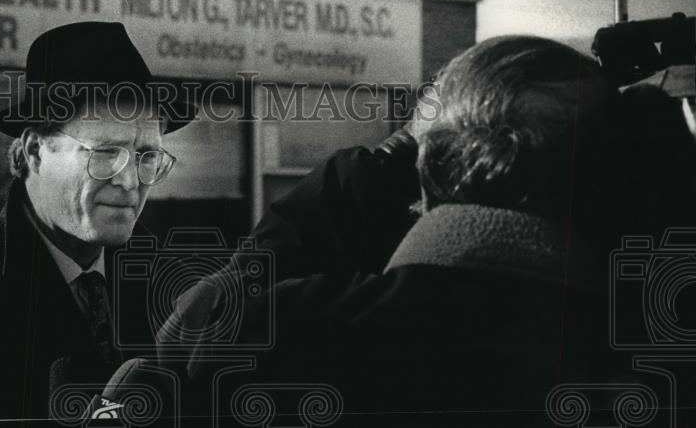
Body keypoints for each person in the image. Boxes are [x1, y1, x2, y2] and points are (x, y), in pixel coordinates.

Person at [166, 36, 636, 426]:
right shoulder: (646, 356)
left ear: (427, 170)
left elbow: (192, 327)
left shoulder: (289, 335)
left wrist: (369, 170)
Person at [0, 22, 194, 419]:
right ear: (34, 151)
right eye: (105, 152)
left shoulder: (176, 291)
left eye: (146, 156)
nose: (130, 181)